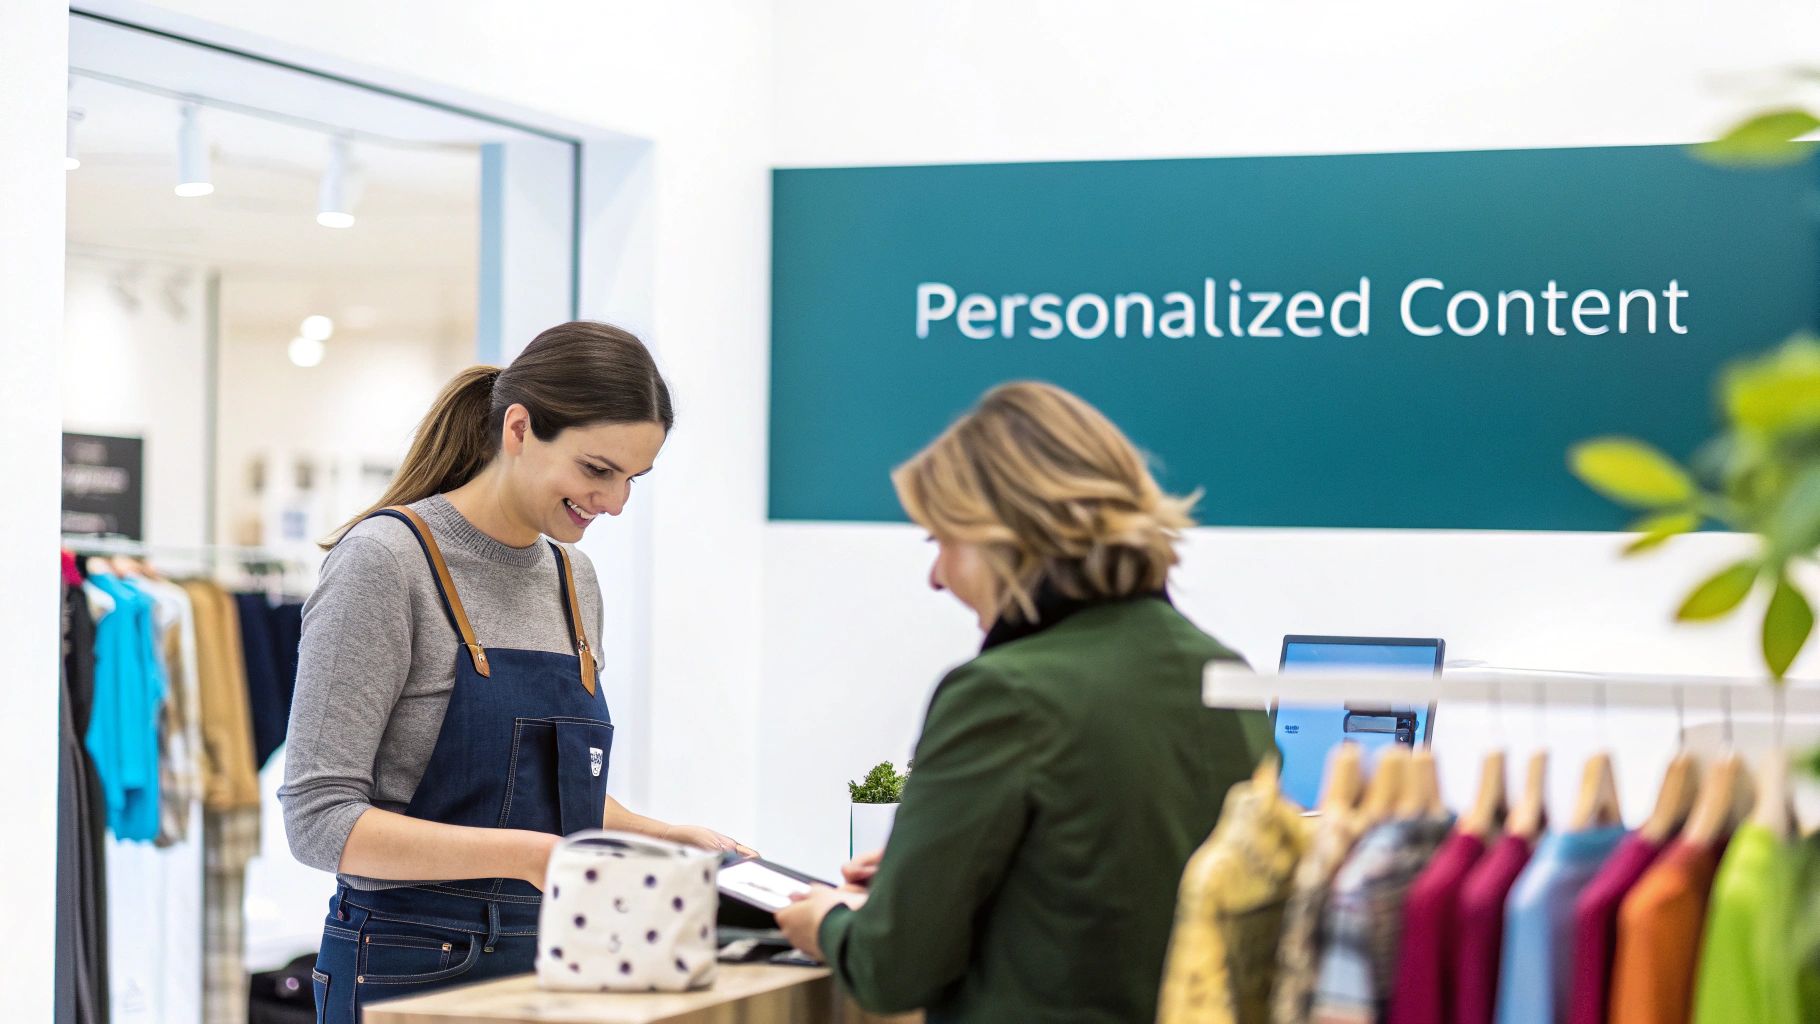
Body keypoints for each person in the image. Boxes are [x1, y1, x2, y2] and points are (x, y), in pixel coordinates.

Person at [283, 322, 751, 1024]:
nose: (615, 502)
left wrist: (662, 835)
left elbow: (539, 790)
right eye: (598, 470)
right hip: (406, 967)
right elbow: (318, 821)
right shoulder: (385, 563)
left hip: (554, 959)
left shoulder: (574, 578)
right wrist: (528, 857)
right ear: (520, 428)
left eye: (632, 479)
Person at [775, 380, 1272, 1023]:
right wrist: (924, 879)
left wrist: (827, 922)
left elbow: (892, 970)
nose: (936, 577)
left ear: (1006, 534)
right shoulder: (1225, 673)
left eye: (941, 541)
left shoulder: (1002, 694)